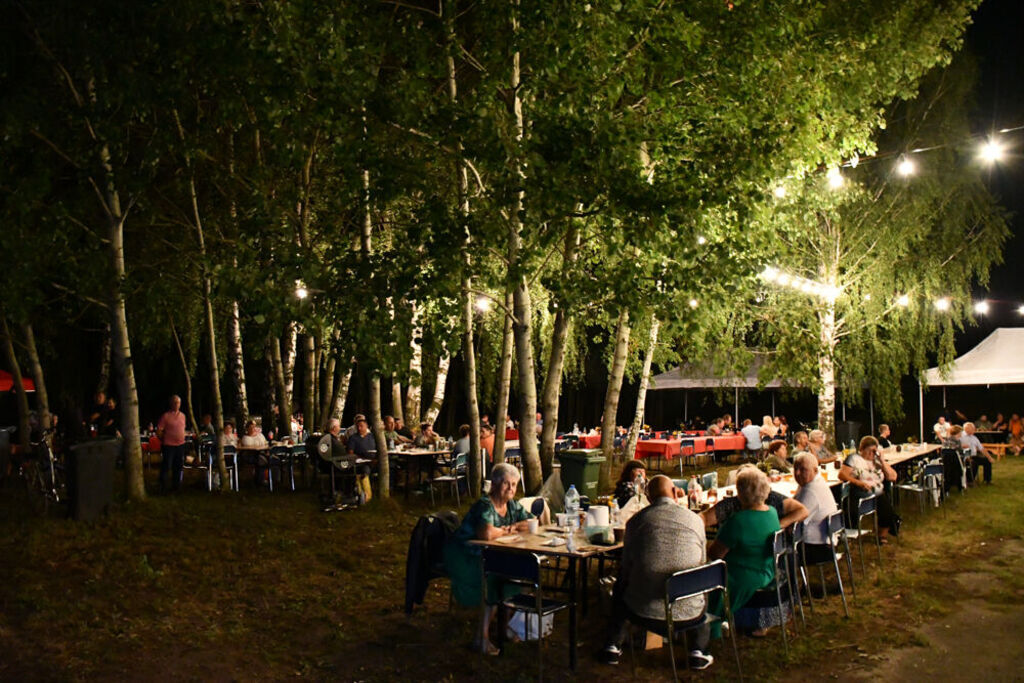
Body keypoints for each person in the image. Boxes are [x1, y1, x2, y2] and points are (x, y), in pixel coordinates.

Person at [600, 475, 713, 669]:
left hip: (642, 609)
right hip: (690, 611)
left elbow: (626, 566)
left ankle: (612, 645)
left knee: (621, 584)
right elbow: (701, 561)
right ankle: (698, 650)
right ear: (675, 493)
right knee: (699, 583)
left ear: (649, 498)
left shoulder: (636, 521)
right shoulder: (695, 520)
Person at [443, 463, 534, 655]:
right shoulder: (485, 504)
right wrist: (509, 529)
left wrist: (508, 528)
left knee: (515, 575)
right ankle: (481, 638)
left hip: (486, 555)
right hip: (464, 555)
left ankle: (504, 626)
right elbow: (485, 533)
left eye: (514, 484)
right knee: (494, 579)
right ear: (495, 484)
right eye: (506, 484)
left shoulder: (512, 505)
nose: (511, 489)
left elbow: (531, 522)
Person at [708, 468, 782, 637]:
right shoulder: (772, 512)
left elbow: (715, 553)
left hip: (742, 576)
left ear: (741, 492)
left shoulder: (738, 521)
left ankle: (712, 625)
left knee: (707, 576)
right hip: (766, 569)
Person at [701, 465, 807, 530]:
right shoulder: (732, 504)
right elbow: (705, 518)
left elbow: (802, 511)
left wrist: (779, 525)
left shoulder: (773, 498)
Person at [839, 436, 899, 541]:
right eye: (869, 451)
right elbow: (842, 475)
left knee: (884, 501)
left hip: (877, 493)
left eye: (874, 451)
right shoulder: (854, 458)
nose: (871, 454)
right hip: (859, 491)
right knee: (883, 500)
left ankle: (882, 534)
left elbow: (892, 477)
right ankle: (889, 527)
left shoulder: (877, 461)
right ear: (861, 449)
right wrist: (859, 482)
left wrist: (882, 461)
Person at [793, 453, 839, 549]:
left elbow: (795, 520)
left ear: (815, 470)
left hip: (816, 547)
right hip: (826, 540)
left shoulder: (810, 490)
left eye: (802, 469)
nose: (797, 473)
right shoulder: (817, 481)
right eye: (795, 468)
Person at [157, 395, 187, 493]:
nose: (176, 404)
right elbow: (159, 430)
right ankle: (163, 487)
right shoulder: (166, 416)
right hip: (169, 445)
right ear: (171, 403)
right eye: (174, 402)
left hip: (180, 445)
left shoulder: (183, 416)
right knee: (166, 466)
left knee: (178, 466)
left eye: (178, 402)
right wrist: (164, 439)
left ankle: (176, 487)